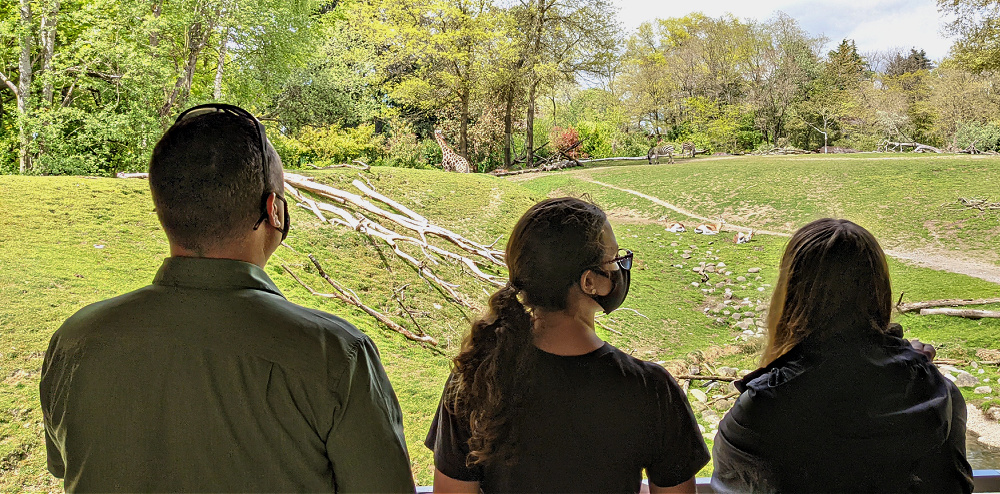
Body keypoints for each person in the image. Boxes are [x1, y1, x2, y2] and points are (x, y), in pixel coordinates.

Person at [39, 104, 416, 492]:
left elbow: (64, 465)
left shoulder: (74, 340)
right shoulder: (337, 355)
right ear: (274, 210)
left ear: (165, 212)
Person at [425, 197, 709, 493]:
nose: (621, 267)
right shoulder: (652, 389)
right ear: (589, 282)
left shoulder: (475, 379)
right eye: (614, 260)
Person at [711, 218, 973, 493]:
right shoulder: (938, 392)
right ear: (880, 292)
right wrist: (913, 368)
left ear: (789, 297)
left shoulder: (762, 407)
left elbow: (728, 479)